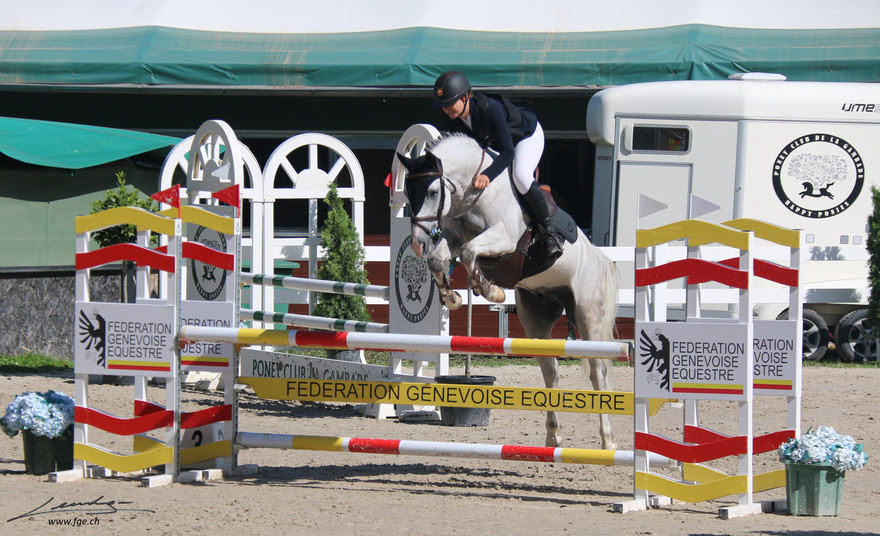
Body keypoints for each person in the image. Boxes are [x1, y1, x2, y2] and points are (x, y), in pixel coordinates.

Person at [432, 71, 562, 260]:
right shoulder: (454, 120)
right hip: (497, 143)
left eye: (450, 103)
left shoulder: (491, 109)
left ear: (465, 97)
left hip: (525, 136)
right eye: (443, 106)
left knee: (520, 175)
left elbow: (509, 153)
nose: (447, 109)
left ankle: (550, 232)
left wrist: (488, 175)